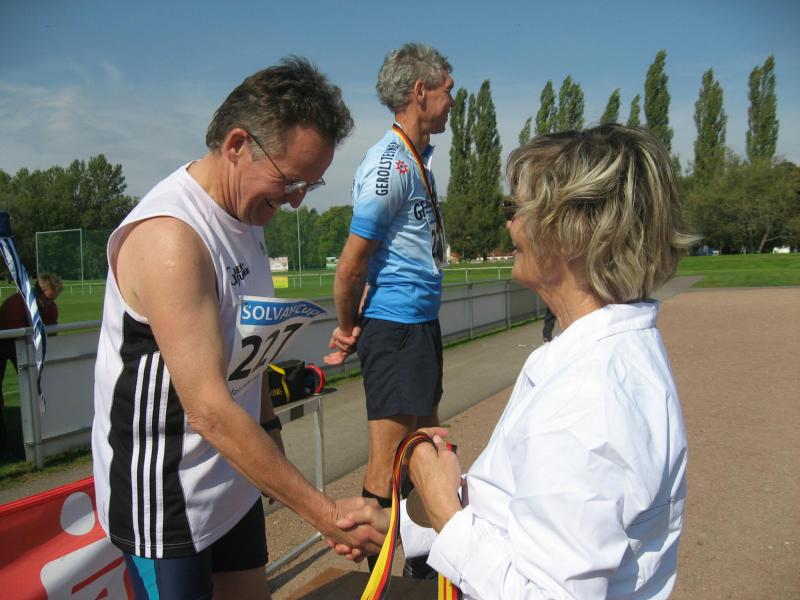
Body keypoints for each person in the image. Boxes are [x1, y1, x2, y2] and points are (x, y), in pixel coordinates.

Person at [334, 124, 697, 598]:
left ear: (571, 231)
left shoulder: (588, 399)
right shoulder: (592, 359)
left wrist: (443, 507)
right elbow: (522, 512)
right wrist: (404, 525)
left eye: (515, 208)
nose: (509, 224)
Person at [91, 58, 381, 600]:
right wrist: (325, 514)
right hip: (168, 499)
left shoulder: (246, 212)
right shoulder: (172, 238)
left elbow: (250, 352)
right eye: (290, 180)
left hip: (232, 475)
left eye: (310, 183)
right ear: (237, 144)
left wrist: (270, 439)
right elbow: (207, 409)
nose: (296, 199)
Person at [324, 42, 454, 578]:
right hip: (395, 328)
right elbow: (350, 266)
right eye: (447, 90)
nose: (452, 101)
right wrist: (346, 327)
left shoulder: (417, 159)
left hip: (418, 325)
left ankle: (427, 568)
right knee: (387, 466)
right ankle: (374, 578)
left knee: (428, 452)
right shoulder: (389, 164)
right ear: (420, 92)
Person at [0, 273, 63, 450]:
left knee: (39, 385)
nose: (50, 304)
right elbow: (17, 340)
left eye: (54, 299)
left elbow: (51, 336)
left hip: (26, 346)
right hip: (5, 344)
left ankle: (42, 428)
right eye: (48, 299)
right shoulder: (16, 305)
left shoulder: (50, 308)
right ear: (37, 293)